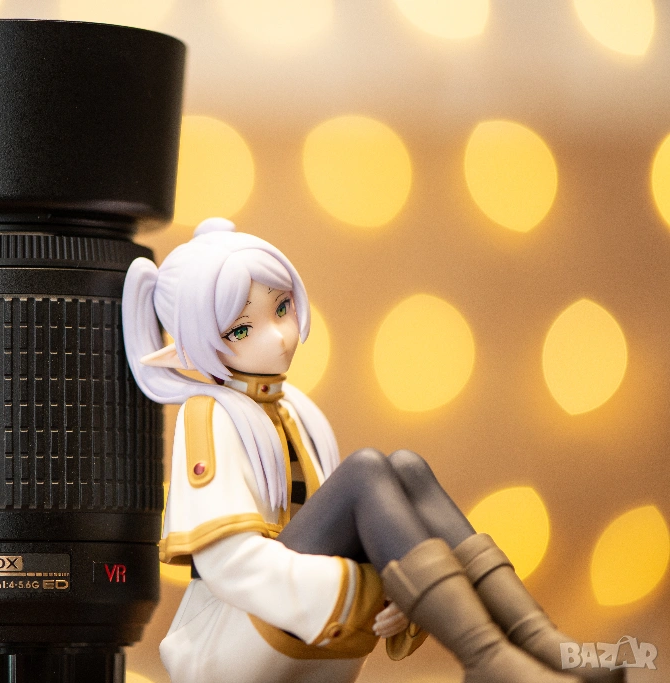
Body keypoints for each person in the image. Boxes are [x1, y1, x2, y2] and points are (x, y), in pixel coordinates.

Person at [122, 218, 618, 683]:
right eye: (240, 330)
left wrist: (402, 582)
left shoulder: (293, 410)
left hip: (292, 617)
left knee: (406, 469)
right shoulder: (210, 414)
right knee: (364, 472)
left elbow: (351, 529)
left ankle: (537, 639)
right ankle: (485, 657)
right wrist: (365, 587)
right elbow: (230, 564)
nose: (277, 336)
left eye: (282, 308)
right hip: (233, 637)